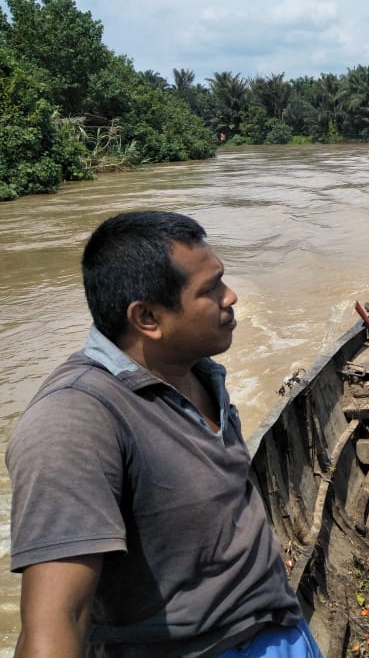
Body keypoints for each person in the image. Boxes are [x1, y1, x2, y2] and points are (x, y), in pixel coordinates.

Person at [6, 211, 316, 657]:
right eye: (209, 290)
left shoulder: (195, 370)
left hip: (278, 624)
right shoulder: (74, 422)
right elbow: (58, 621)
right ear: (148, 318)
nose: (231, 296)